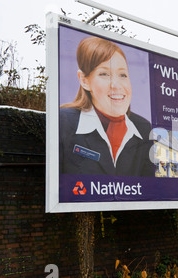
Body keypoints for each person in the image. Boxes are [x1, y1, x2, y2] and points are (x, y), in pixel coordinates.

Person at [59, 36, 154, 176]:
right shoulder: (63, 122)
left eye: (123, 75)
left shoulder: (143, 128)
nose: (116, 85)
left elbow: (147, 188)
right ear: (84, 80)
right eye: (104, 74)